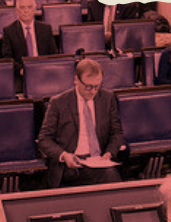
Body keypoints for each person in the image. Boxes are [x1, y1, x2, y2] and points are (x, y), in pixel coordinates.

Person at [37, 59, 124, 187]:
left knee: (113, 181)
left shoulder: (107, 98)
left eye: (97, 86)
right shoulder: (58, 102)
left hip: (99, 162)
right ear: (76, 80)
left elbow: (116, 132)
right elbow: (44, 139)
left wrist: (109, 153)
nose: (93, 91)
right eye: (88, 86)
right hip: (70, 165)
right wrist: (64, 155)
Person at [0, 0, 56, 82]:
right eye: (22, 7)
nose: (26, 11)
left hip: (45, 73)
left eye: (29, 7)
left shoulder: (46, 29)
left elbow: (53, 55)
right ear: (17, 10)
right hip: (22, 76)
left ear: (34, 9)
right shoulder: (9, 31)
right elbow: (8, 59)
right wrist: (22, 70)